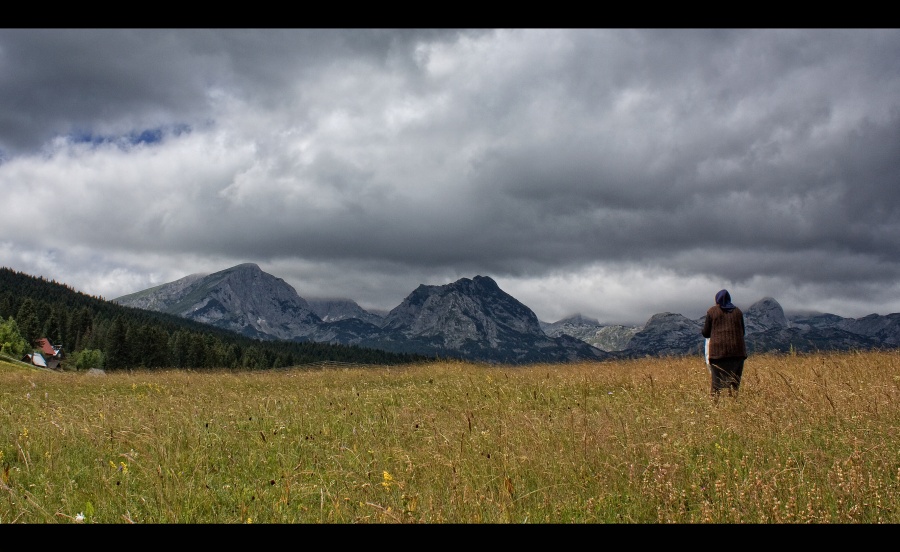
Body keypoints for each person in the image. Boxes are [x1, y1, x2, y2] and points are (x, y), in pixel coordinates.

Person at [701, 289, 747, 399]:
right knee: (735, 383)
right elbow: (743, 332)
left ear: (717, 300)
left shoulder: (712, 311)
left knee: (716, 384)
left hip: (718, 354)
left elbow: (706, 333)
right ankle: (734, 404)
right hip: (738, 354)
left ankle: (716, 406)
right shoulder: (738, 312)